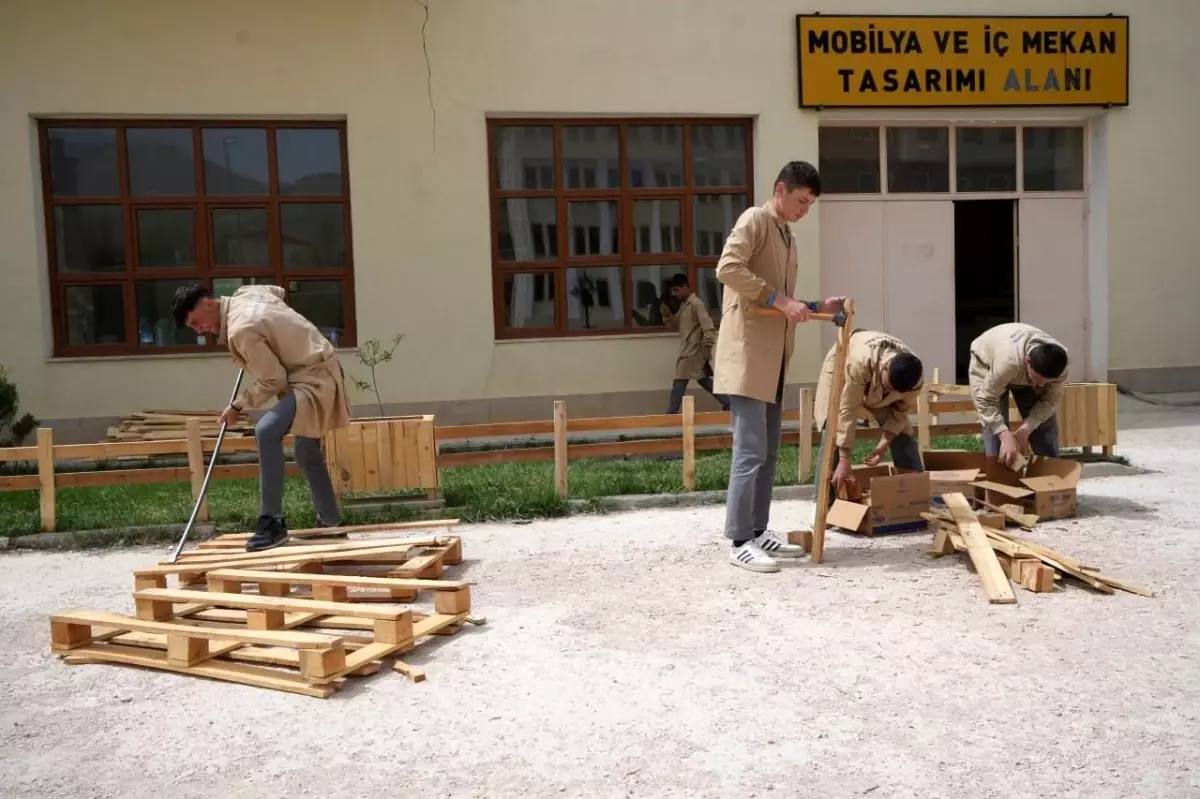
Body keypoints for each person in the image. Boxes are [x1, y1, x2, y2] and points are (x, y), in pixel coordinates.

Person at [711, 160, 845, 573]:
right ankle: (738, 540)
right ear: (781, 189)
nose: (805, 210)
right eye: (801, 200)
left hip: (774, 360)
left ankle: (757, 529)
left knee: (768, 452)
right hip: (749, 357)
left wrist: (813, 307)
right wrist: (781, 301)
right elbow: (728, 269)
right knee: (749, 451)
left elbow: (779, 301)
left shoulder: (786, 235)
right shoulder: (755, 219)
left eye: (810, 204)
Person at [171, 284, 352, 552]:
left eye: (198, 322)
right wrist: (277, 330)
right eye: (194, 328)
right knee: (305, 448)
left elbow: (273, 379)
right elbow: (278, 291)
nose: (200, 330)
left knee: (266, 431)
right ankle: (331, 523)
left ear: (208, 303)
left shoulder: (241, 330)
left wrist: (237, 405)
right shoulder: (247, 293)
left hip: (314, 381)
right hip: (317, 367)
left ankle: (272, 522)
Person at [812, 330, 925, 507]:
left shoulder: (914, 380)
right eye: (888, 387)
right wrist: (845, 460)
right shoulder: (858, 362)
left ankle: (914, 499)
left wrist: (882, 447)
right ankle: (824, 506)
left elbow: (899, 413)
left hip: (873, 375)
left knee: (904, 433)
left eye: (896, 392)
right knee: (832, 428)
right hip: (844, 364)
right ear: (884, 367)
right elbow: (847, 410)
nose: (890, 394)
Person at [968, 322, 1069, 468]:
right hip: (987, 362)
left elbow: (1050, 401)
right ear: (1027, 362)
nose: (1040, 386)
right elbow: (986, 401)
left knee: (1044, 425)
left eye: (1046, 382)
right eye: (1037, 379)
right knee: (994, 428)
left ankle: (1050, 479)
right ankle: (998, 481)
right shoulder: (1007, 363)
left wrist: (1025, 431)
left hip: (1019, 367)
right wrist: (1004, 435)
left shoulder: (1060, 365)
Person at [660, 273, 729, 414]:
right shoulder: (685, 306)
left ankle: (670, 414)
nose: (675, 294)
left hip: (694, 352)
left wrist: (706, 350)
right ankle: (729, 403)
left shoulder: (696, 304)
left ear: (685, 287)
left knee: (679, 382)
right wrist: (667, 316)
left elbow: (708, 328)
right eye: (673, 291)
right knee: (704, 381)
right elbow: (676, 326)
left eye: (677, 290)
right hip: (689, 351)